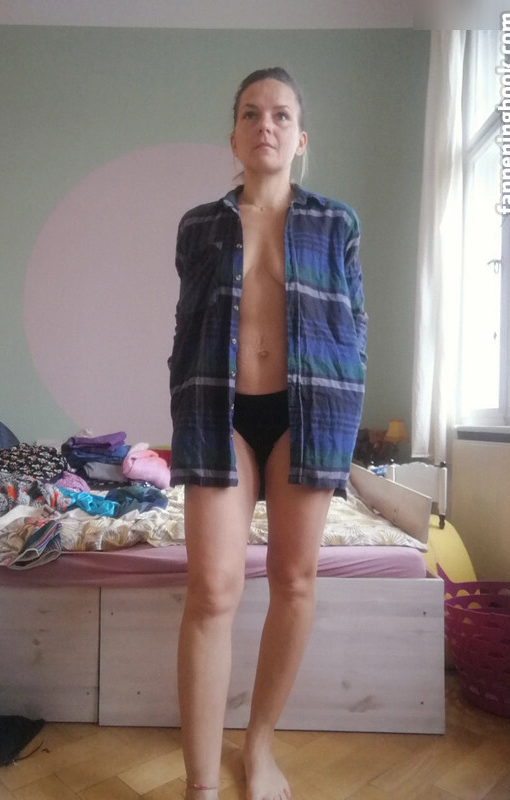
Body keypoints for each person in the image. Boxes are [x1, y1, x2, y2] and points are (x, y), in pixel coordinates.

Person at [168, 67, 367, 800]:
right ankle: (200, 783)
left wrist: (346, 410)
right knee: (211, 590)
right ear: (234, 136)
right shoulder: (200, 226)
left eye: (281, 114)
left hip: (308, 415)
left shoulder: (336, 223)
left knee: (294, 580)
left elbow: (355, 327)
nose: (266, 125)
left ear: (300, 137)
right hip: (219, 413)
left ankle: (258, 746)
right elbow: (188, 326)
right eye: (251, 113)